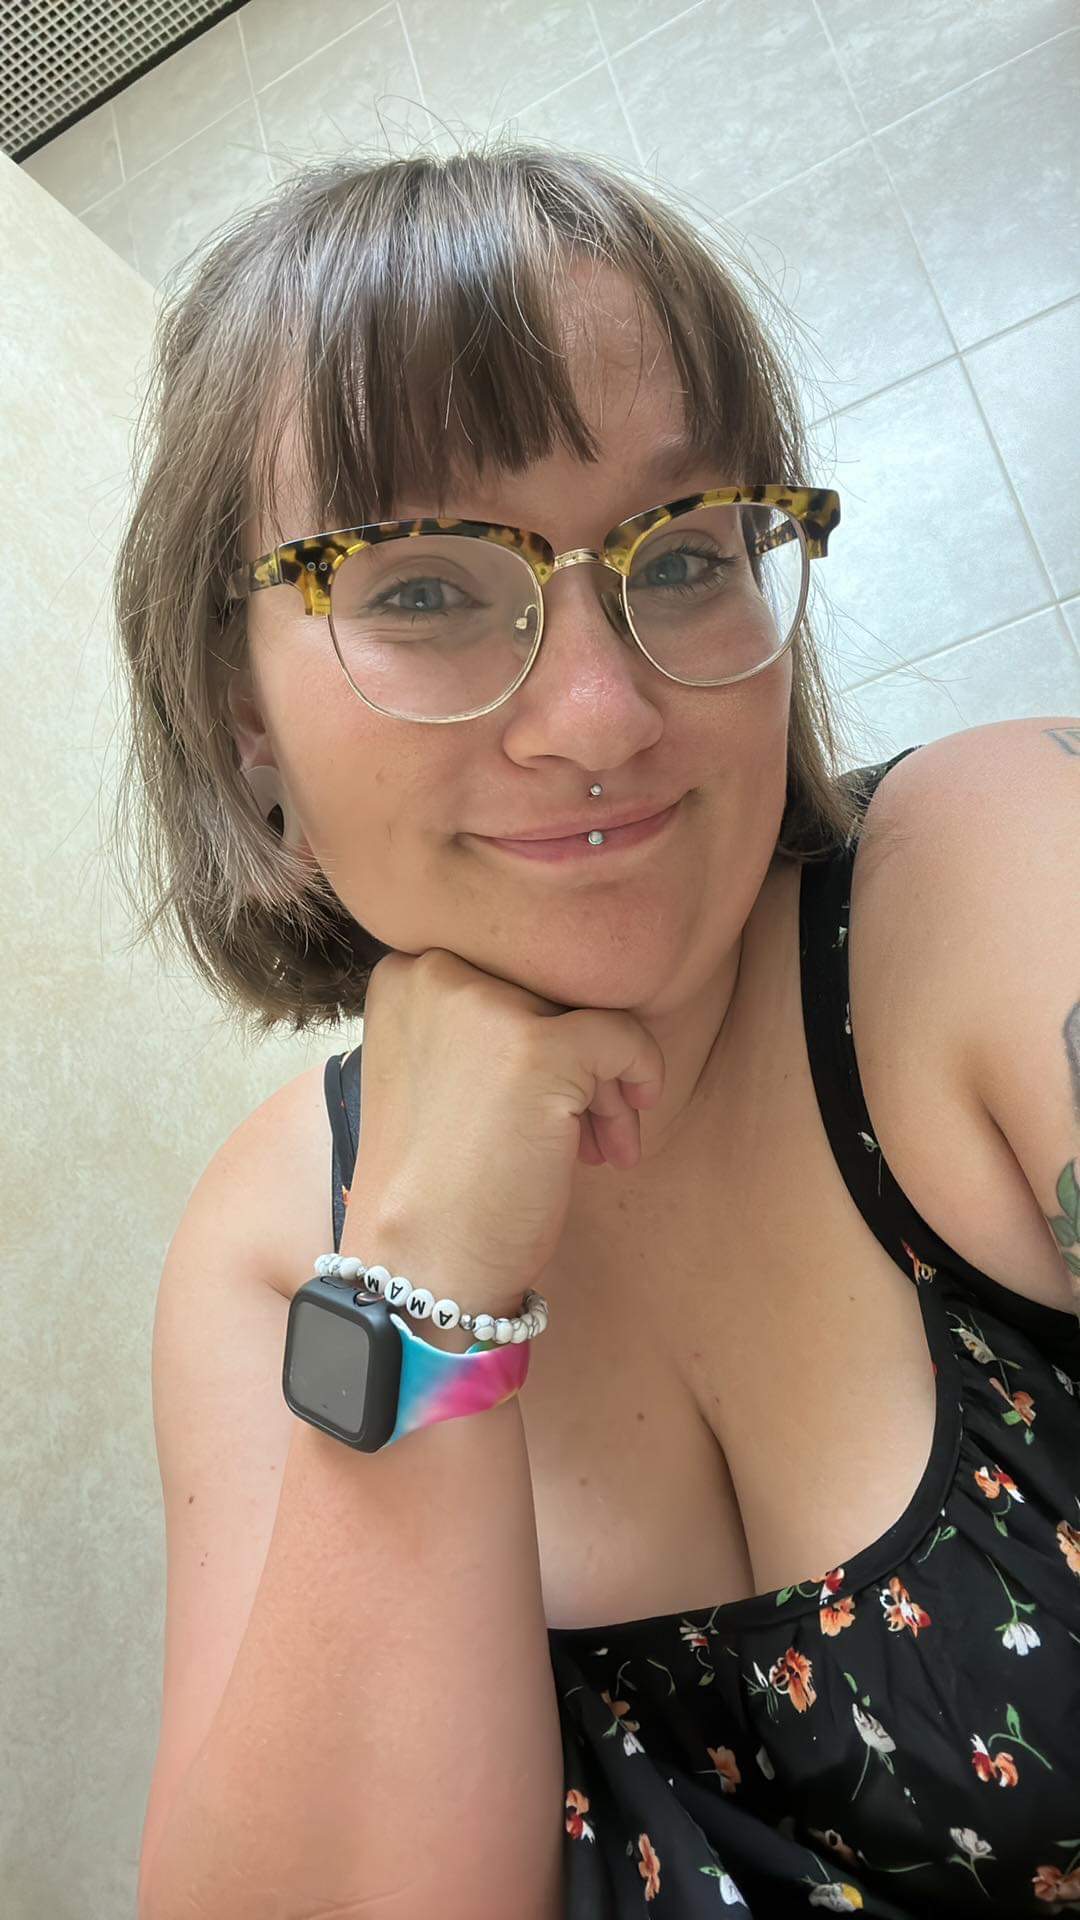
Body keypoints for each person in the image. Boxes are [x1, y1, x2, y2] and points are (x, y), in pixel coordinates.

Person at [117, 145, 1080, 1920]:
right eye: (421, 588)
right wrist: (423, 1274)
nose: (599, 710)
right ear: (243, 723)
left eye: (687, 551)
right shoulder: (271, 1247)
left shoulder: (997, 872)